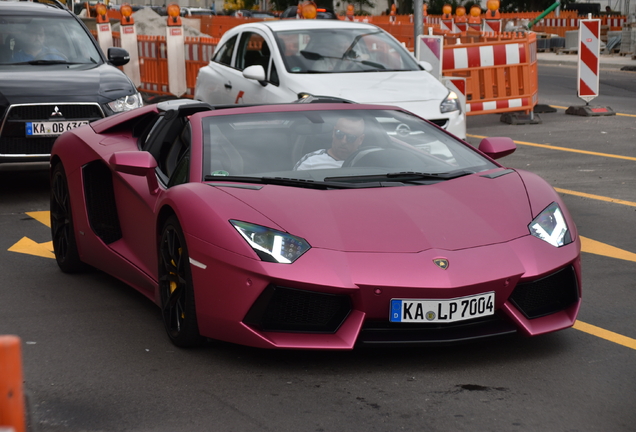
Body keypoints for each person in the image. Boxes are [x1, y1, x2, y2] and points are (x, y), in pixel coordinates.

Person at [294, 117, 365, 170]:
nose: (343, 141)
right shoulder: (311, 161)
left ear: (360, 139)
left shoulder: (367, 162)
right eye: (339, 134)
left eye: (351, 137)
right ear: (333, 133)